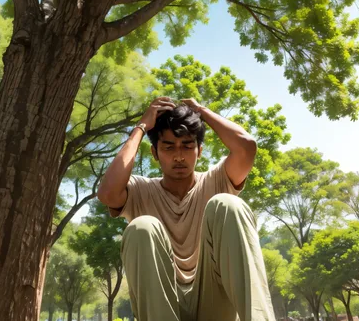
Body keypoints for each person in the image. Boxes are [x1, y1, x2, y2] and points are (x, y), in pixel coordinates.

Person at [97, 96, 276, 321]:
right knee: (142, 226)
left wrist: (201, 110)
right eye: (169, 147)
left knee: (229, 204)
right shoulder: (140, 190)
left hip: (215, 303)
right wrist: (141, 127)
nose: (179, 156)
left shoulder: (216, 180)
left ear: (199, 151)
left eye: (187, 145)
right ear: (155, 153)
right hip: (161, 307)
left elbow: (246, 148)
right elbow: (107, 194)